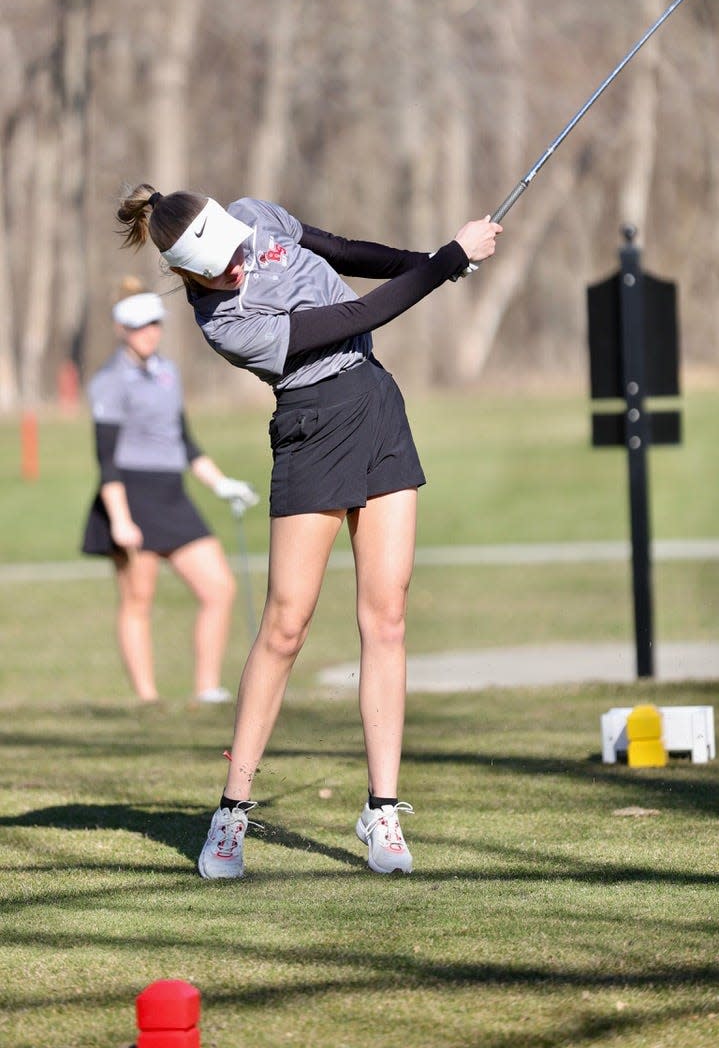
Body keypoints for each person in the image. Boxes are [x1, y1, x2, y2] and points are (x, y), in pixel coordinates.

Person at [116, 185, 502, 876]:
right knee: (286, 626)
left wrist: (432, 259)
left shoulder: (256, 216)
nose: (233, 269)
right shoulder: (224, 323)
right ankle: (231, 813)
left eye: (233, 253)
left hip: (377, 405)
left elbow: (344, 253)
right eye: (214, 270)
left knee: (386, 618)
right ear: (184, 276)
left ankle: (381, 811)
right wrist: (445, 261)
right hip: (311, 426)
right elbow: (352, 313)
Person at [81, 278, 259, 705]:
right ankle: (148, 698)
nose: (149, 333)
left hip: (172, 494)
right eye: (140, 326)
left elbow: (184, 442)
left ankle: (207, 687)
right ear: (123, 329)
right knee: (138, 599)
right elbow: (106, 460)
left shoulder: (168, 374)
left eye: (154, 325)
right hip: (130, 495)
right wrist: (120, 520)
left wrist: (221, 484)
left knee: (219, 589)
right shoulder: (109, 382)